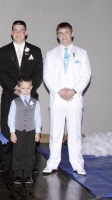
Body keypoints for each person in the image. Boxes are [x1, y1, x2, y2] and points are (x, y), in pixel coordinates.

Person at [43, 22, 91, 176]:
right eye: (61, 33)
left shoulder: (82, 53)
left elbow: (86, 75)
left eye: (67, 32)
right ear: (57, 36)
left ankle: (78, 164)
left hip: (74, 100)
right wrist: (59, 91)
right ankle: (52, 163)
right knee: (55, 133)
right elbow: (47, 76)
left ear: (72, 34)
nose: (64, 36)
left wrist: (74, 91)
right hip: (57, 100)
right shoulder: (51, 54)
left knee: (75, 133)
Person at [0, 20, 43, 172]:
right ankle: (6, 161)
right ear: (11, 32)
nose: (18, 33)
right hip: (10, 95)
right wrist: (15, 88)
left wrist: (26, 89)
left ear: (26, 32)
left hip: (30, 97)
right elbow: (1, 73)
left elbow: (38, 73)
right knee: (7, 128)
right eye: (15, 30)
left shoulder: (35, 51)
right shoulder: (3, 51)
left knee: (29, 130)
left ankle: (30, 163)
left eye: (21, 30)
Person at [7, 76, 41, 184]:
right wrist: (12, 132)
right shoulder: (14, 102)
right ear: (18, 88)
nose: (25, 91)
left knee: (30, 153)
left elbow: (37, 118)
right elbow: (11, 118)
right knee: (18, 152)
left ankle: (28, 173)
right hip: (18, 131)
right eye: (23, 88)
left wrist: (38, 132)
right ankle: (17, 173)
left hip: (31, 131)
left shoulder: (35, 102)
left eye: (28, 88)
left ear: (31, 88)